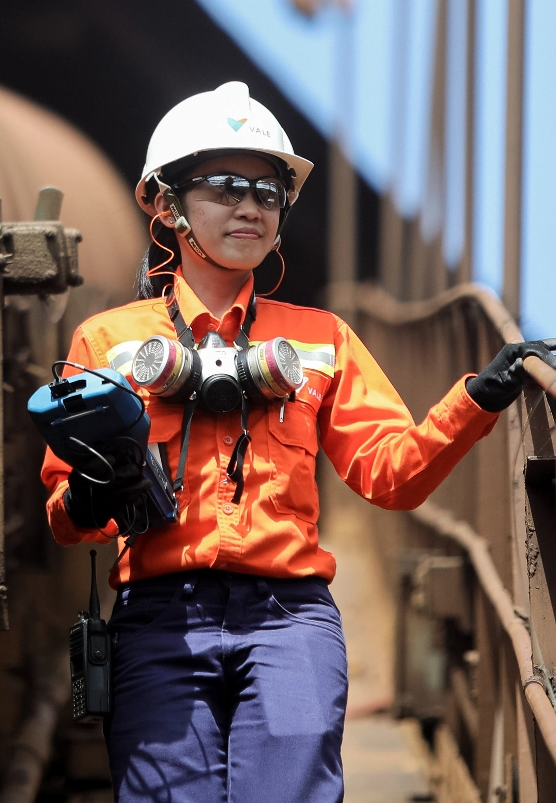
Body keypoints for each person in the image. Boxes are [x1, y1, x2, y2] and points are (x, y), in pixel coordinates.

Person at [41, 81, 555, 803]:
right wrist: (94, 489)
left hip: (290, 622)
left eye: (268, 191)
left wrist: (477, 397)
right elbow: (65, 519)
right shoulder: (111, 341)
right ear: (164, 203)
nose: (250, 205)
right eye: (223, 186)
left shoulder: (321, 339)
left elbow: (390, 477)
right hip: (159, 621)